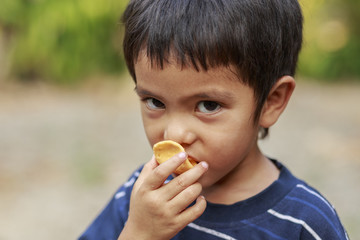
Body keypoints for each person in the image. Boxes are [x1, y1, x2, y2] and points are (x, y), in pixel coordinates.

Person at [79, 0, 349, 239]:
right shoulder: (142, 198)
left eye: (208, 106)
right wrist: (139, 233)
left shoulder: (303, 223)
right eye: (155, 102)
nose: (173, 133)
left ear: (271, 101)